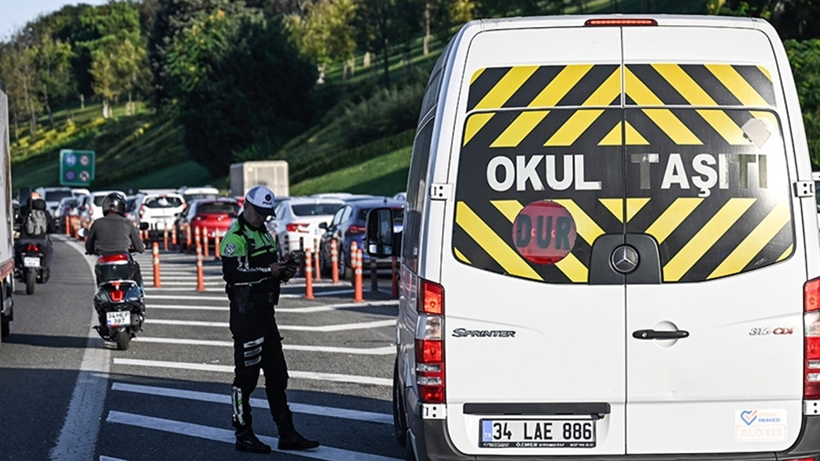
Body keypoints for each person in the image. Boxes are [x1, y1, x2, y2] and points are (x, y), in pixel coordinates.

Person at [220, 185, 319, 454]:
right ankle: (243, 433)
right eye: (259, 212)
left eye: (267, 213)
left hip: (267, 314)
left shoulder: (264, 233)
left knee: (278, 376)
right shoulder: (235, 236)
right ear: (246, 206)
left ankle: (287, 433)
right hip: (246, 315)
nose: (263, 217)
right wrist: (268, 271)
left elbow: (270, 271)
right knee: (246, 379)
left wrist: (285, 271)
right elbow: (233, 274)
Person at [84, 191, 145, 288]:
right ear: (122, 207)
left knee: (100, 281)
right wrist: (139, 248)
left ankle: (102, 292)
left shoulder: (97, 223)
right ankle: (139, 293)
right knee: (135, 268)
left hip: (104, 262)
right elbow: (140, 248)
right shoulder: (127, 223)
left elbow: (88, 246)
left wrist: (91, 250)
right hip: (123, 260)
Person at [16, 194, 55, 278]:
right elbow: (52, 227)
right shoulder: (45, 213)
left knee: (15, 249)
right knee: (49, 251)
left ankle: (17, 267)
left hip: (24, 240)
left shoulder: (24, 211)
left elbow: (17, 222)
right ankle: (45, 267)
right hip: (41, 240)